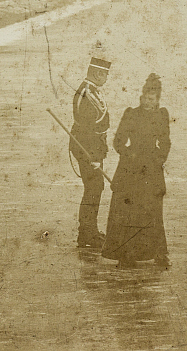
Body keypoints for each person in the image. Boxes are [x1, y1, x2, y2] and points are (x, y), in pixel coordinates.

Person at [102, 74, 171, 267]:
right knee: (128, 211)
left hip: (151, 169)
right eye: (146, 98)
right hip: (130, 169)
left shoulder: (161, 115)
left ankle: (158, 252)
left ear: (157, 100)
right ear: (141, 97)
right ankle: (126, 254)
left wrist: (159, 158)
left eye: (152, 99)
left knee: (152, 211)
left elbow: (165, 142)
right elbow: (118, 141)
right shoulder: (131, 114)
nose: (148, 102)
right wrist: (128, 154)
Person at [71, 57, 112, 248]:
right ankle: (86, 234)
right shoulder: (87, 93)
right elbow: (87, 128)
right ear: (97, 73)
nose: (106, 78)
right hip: (88, 148)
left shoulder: (91, 91)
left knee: (95, 187)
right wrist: (93, 157)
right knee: (93, 188)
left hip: (93, 147)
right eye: (105, 74)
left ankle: (90, 231)